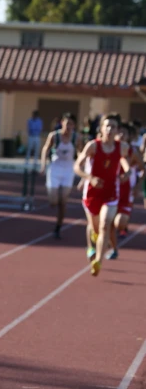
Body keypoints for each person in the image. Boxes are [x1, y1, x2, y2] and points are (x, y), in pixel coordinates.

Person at [74, 113, 130, 277]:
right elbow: (77, 166)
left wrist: (126, 173)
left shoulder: (122, 147)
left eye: (113, 126)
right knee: (96, 228)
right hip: (92, 193)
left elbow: (124, 162)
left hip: (111, 192)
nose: (110, 129)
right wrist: (89, 178)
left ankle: (98, 260)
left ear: (117, 130)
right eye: (107, 126)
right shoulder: (93, 146)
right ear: (102, 129)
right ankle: (93, 236)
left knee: (106, 225)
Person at [40, 113, 81, 239]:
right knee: (54, 201)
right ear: (62, 123)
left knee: (63, 201)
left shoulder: (76, 138)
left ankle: (58, 226)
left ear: (74, 126)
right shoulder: (54, 136)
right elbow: (45, 149)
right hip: (55, 169)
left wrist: (81, 168)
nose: (68, 126)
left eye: (71, 124)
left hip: (68, 170)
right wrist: (43, 165)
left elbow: (80, 153)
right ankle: (53, 202)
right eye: (66, 123)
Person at [107, 122, 144, 259]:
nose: (121, 135)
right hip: (110, 191)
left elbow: (143, 170)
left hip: (126, 192)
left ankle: (114, 239)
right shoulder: (108, 148)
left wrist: (137, 186)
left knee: (120, 222)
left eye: (125, 133)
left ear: (130, 136)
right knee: (108, 222)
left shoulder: (132, 151)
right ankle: (114, 248)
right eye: (120, 132)